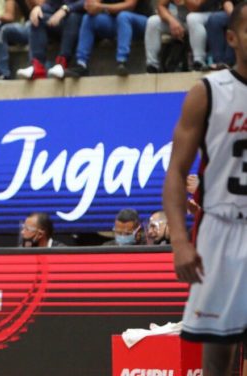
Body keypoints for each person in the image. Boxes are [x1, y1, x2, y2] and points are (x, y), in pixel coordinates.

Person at [163, 3, 247, 374]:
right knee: (219, 354)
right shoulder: (208, 92)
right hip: (223, 227)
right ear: (231, 38)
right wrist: (180, 240)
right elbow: (176, 172)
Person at [64, 0, 152, 77]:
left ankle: (122, 61)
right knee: (88, 18)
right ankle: (81, 64)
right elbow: (90, 5)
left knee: (123, 16)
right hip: (116, 21)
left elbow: (129, 6)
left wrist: (101, 7)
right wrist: (91, 7)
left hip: (141, 22)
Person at [15, 0, 84, 79]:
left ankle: (62, 64)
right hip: (62, 21)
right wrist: (39, 8)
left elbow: (88, 3)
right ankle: (37, 66)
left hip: (82, 22)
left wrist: (66, 9)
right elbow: (51, 4)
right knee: (38, 17)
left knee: (73, 17)